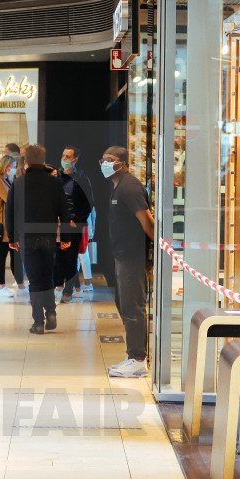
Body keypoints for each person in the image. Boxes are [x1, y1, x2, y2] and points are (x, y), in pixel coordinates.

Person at [100, 146, 154, 378]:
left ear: (122, 163)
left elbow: (148, 222)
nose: (105, 164)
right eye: (102, 160)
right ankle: (133, 356)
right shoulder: (118, 187)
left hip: (133, 255)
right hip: (124, 254)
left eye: (110, 160)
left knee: (133, 307)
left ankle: (137, 359)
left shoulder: (129, 187)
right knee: (125, 305)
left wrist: (159, 248)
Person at [6, 144, 71, 334]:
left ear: (25, 161)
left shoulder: (18, 183)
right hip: (49, 236)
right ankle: (51, 312)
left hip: (27, 236)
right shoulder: (55, 182)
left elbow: (10, 213)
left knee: (34, 279)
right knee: (47, 275)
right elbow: (64, 212)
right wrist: (65, 237)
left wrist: (12, 237)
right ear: (43, 161)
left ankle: (38, 322)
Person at [54, 145, 93, 304]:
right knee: (57, 258)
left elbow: (89, 203)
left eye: (68, 157)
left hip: (73, 226)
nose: (64, 159)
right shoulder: (54, 177)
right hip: (55, 225)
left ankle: (68, 291)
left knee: (71, 259)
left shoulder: (82, 179)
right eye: (63, 156)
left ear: (75, 160)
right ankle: (56, 286)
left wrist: (76, 221)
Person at [0, 155, 24, 298]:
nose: (14, 169)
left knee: (16, 256)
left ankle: (21, 284)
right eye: (13, 166)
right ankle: (1, 287)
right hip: (0, 226)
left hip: (8, 226)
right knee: (1, 257)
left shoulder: (7, 180)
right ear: (6, 166)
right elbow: (10, 198)